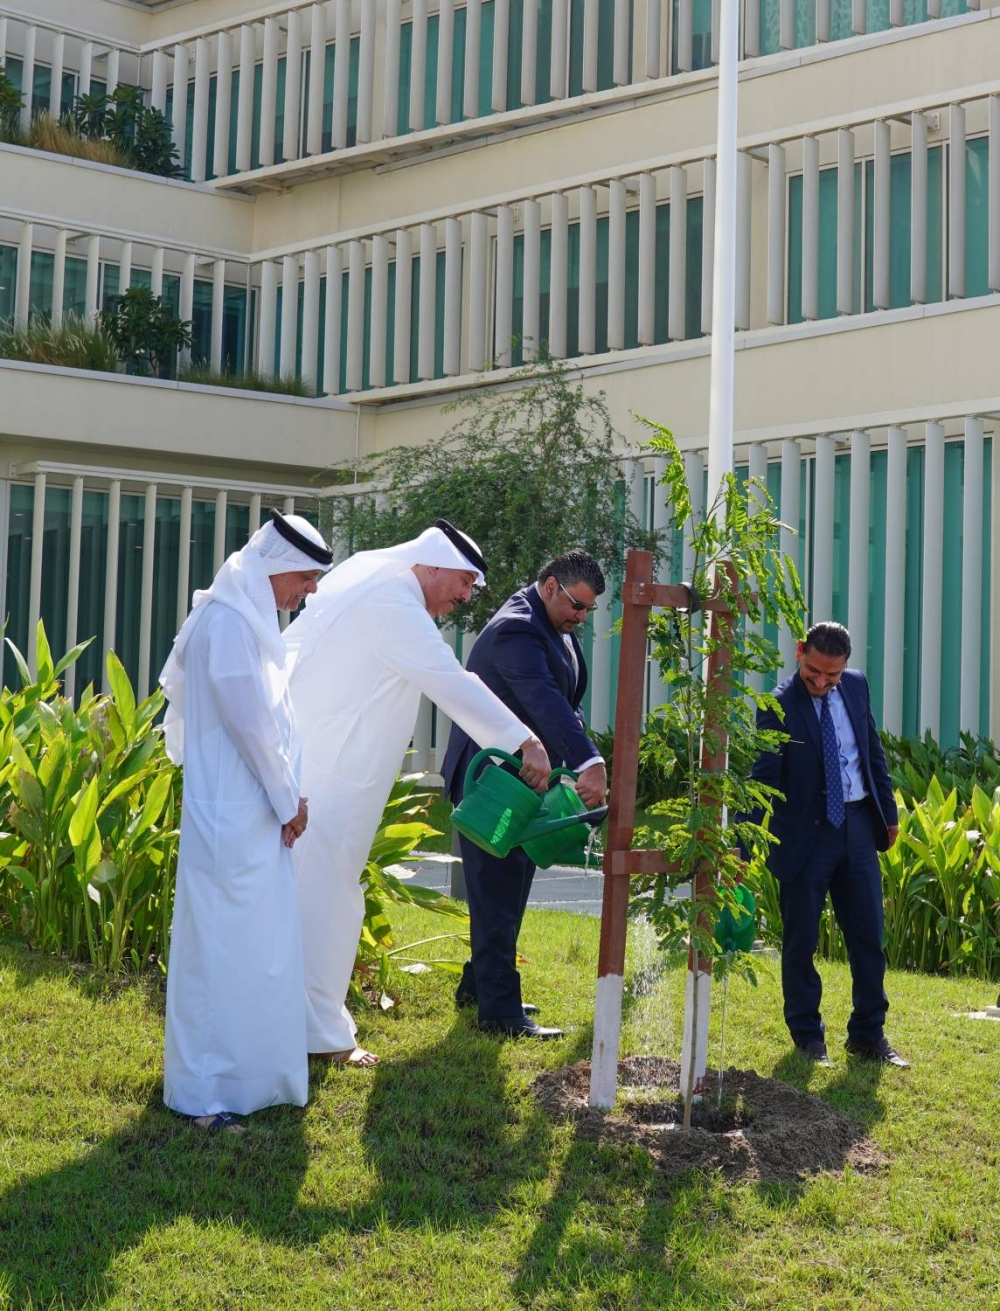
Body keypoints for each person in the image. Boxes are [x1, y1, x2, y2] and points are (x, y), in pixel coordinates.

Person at [284, 520, 551, 1067]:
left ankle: (304, 1027)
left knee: (317, 894)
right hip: (333, 779)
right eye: (463, 582)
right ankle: (322, 1036)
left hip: (322, 769)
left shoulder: (376, 585)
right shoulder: (393, 602)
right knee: (329, 898)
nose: (466, 596)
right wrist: (524, 740)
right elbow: (452, 682)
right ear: (429, 566)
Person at [159, 510, 334, 1131]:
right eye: (307, 578)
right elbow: (252, 729)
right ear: (278, 568)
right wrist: (290, 802)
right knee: (222, 956)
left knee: (256, 953)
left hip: (252, 815)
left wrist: (285, 802)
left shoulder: (246, 619)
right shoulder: (229, 623)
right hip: (231, 817)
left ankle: (251, 1083)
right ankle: (204, 1094)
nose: (308, 591)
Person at [442, 550, 608, 1040]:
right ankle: (500, 1015)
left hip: (525, 782)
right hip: (493, 784)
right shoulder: (518, 629)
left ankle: (481, 986)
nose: (580, 618)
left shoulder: (552, 626)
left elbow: (565, 704)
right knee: (496, 893)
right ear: (551, 585)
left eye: (589, 611)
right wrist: (589, 762)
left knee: (509, 889)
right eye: (577, 605)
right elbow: (544, 701)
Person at [743, 621, 909, 1068]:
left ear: (845, 668)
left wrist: (886, 813)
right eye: (814, 671)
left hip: (856, 827)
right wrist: (742, 848)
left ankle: (868, 1034)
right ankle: (808, 1038)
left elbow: (871, 750)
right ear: (800, 652)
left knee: (869, 937)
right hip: (804, 838)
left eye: (831, 675)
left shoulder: (855, 687)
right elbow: (763, 780)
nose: (821, 682)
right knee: (801, 941)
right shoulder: (776, 706)